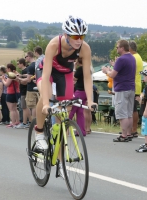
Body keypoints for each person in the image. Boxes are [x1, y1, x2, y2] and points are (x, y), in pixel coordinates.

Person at [34, 16, 95, 151]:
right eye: (75, 37)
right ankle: (38, 132)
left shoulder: (85, 48)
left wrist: (90, 101)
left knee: (64, 116)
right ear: (66, 34)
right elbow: (46, 75)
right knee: (47, 95)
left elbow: (87, 77)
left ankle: (61, 165)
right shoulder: (54, 45)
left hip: (65, 74)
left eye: (82, 36)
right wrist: (45, 104)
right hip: (46, 71)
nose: (79, 41)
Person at [102, 39, 136, 142]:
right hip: (131, 87)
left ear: (122, 48)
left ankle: (124, 135)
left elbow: (112, 75)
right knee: (129, 113)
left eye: (117, 47)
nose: (116, 49)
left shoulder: (121, 59)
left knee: (122, 114)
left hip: (122, 88)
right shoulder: (132, 58)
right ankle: (129, 133)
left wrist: (106, 70)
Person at [69, 58, 88, 136]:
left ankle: (65, 127)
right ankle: (81, 131)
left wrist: (74, 67)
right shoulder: (87, 69)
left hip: (79, 92)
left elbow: (73, 78)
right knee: (80, 112)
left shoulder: (80, 69)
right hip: (85, 92)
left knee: (71, 110)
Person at [128, 40, 143, 138]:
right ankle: (132, 129)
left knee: (133, 109)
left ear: (130, 48)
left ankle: (133, 129)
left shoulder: (133, 58)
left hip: (133, 84)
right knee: (133, 108)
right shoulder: (138, 57)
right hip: (137, 84)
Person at [0, 63, 20, 128]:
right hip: (16, 91)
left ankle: (13, 122)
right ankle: (17, 121)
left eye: (7, 68)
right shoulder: (16, 74)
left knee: (11, 109)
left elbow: (7, 84)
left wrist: (2, 79)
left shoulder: (10, 75)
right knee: (15, 108)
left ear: (9, 69)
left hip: (11, 92)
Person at [15, 58, 30, 129]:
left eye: (18, 63)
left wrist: (18, 79)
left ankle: (24, 122)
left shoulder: (25, 70)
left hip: (24, 91)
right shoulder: (23, 71)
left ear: (22, 63)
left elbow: (25, 82)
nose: (17, 65)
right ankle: (30, 121)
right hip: (24, 91)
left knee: (24, 107)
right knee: (26, 107)